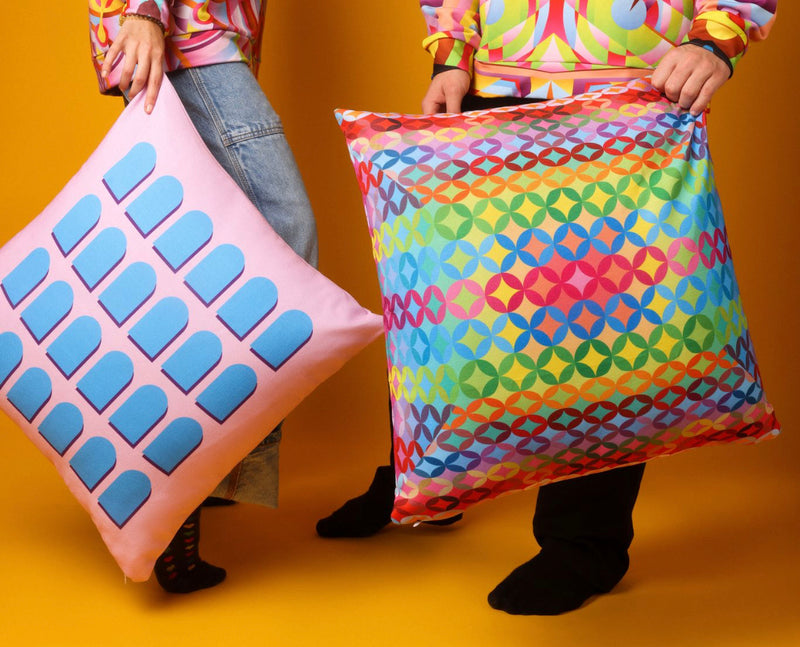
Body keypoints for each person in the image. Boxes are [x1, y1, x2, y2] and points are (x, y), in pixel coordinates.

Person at [316, 0, 777, 615]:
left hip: (628, 98)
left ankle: (584, 544)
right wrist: (453, 52)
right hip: (495, 85)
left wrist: (717, 41)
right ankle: (426, 480)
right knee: (449, 302)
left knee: (600, 328)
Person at [89, 0, 318, 593]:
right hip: (187, 30)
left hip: (204, 32)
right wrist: (143, 11)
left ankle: (182, 477)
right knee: (276, 240)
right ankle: (181, 478)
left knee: (192, 259)